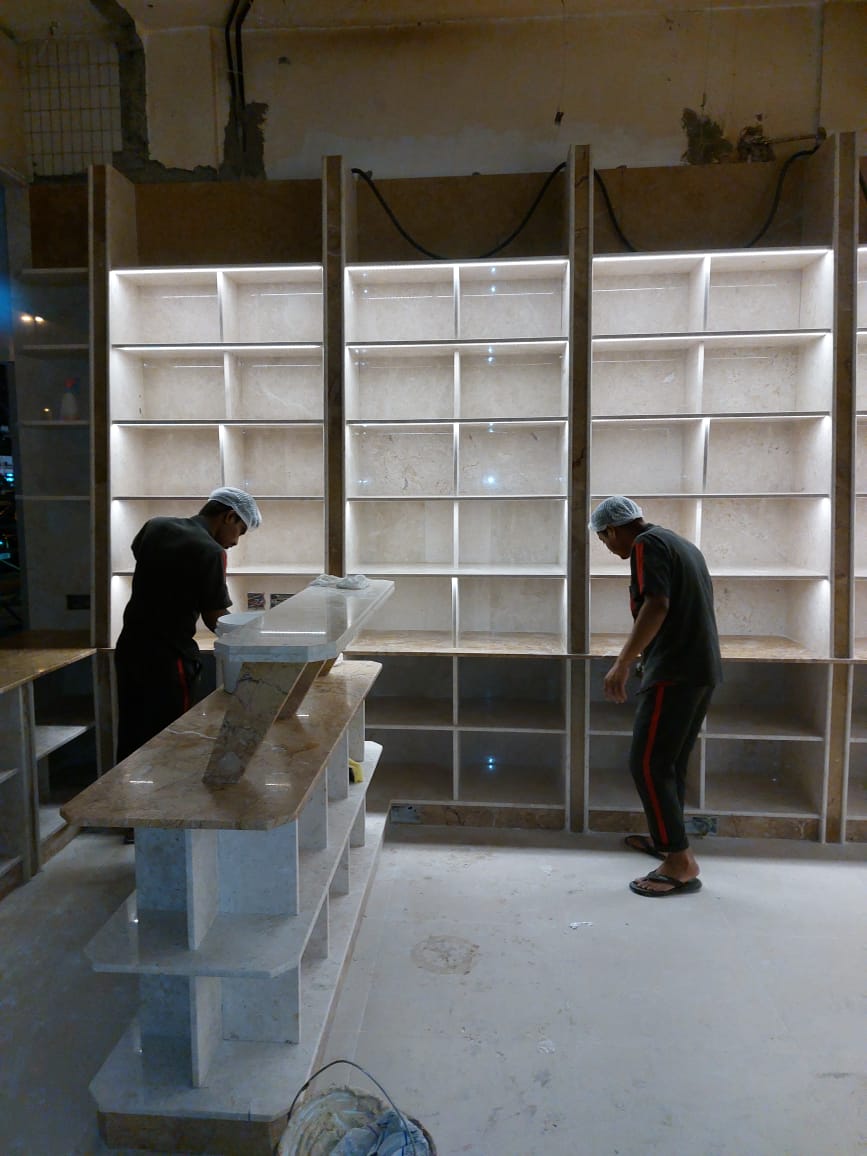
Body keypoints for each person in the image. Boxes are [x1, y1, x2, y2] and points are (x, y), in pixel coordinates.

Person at [590, 495, 722, 897]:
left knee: (647, 763)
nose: (608, 548)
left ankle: (680, 862)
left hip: (675, 671)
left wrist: (623, 662)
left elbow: (658, 603)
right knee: (669, 763)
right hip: (699, 668)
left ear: (613, 529)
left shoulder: (645, 545)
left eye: (603, 539)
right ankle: (669, 842)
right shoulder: (679, 543)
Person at [114, 487, 262, 776]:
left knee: (133, 731)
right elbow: (215, 617)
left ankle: (125, 796)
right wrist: (251, 643)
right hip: (170, 659)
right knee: (170, 736)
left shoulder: (156, 526)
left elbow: (138, 553)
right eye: (240, 531)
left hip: (130, 649)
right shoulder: (211, 552)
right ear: (229, 516)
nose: (236, 542)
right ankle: (166, 797)